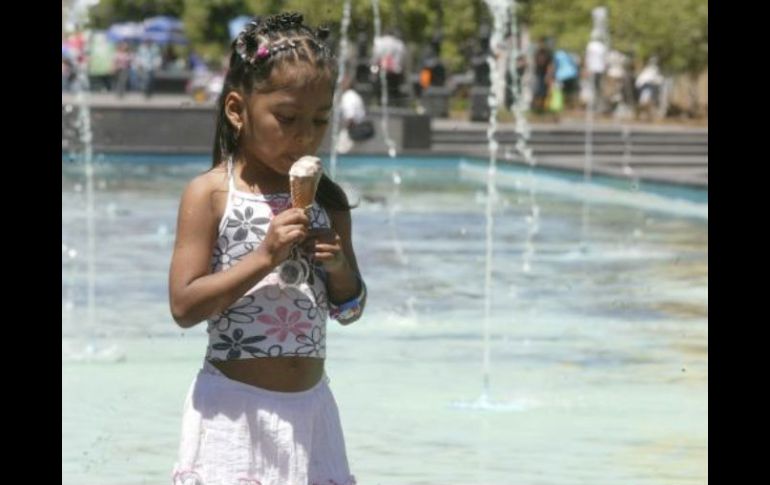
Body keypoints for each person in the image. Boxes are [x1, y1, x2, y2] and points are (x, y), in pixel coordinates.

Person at [168, 12, 365, 485]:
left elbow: (351, 308)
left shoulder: (328, 201)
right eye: (287, 118)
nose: (304, 136)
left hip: (311, 413)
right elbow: (183, 305)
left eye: (319, 120)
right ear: (238, 112)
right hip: (234, 411)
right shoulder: (212, 194)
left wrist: (337, 267)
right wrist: (263, 257)